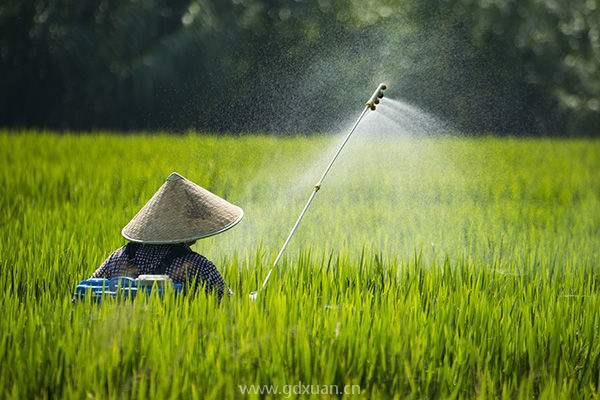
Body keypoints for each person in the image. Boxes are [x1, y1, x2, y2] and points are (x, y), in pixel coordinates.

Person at [91, 172, 243, 299]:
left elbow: (86, 291)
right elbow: (229, 304)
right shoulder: (197, 265)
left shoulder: (118, 257)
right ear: (186, 228)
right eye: (194, 218)